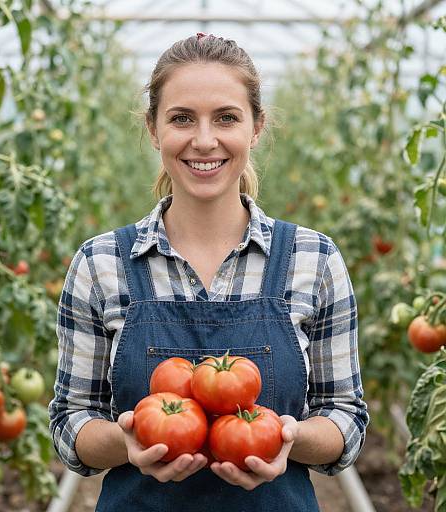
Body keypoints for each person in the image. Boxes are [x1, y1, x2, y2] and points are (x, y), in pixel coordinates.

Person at [49, 33, 369, 511]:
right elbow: (71, 423)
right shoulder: (100, 264)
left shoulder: (314, 258)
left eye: (226, 118)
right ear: (154, 130)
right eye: (181, 118)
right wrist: (128, 443)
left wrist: (286, 437)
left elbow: (346, 419)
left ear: (256, 128)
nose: (203, 140)